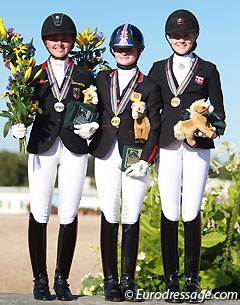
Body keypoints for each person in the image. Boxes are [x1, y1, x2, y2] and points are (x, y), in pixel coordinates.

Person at [11, 13, 98, 301]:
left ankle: (62, 280)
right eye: (53, 38)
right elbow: (22, 105)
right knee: (39, 211)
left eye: (64, 38)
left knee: (70, 212)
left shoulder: (85, 75)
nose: (59, 43)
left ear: (72, 41)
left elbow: (93, 108)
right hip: (42, 146)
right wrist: (17, 124)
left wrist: (92, 125)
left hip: (74, 146)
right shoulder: (32, 73)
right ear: (45, 41)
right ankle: (39, 280)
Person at [148, 9, 226, 303]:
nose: (181, 40)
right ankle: (171, 282)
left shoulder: (208, 69)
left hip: (197, 148)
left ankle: (191, 281)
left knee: (191, 209)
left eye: (186, 35)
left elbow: (220, 114)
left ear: (195, 36)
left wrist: (209, 123)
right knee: (170, 210)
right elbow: (149, 108)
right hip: (167, 145)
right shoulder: (156, 69)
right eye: (176, 35)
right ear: (168, 38)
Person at [89, 23, 162, 302]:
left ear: (139, 51)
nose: (124, 53)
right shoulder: (101, 78)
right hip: (106, 152)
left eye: (129, 48)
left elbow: (155, 125)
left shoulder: (149, 85)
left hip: (135, 155)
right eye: (119, 48)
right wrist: (85, 127)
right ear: (112, 50)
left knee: (131, 214)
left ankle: (128, 280)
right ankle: (110, 282)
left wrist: (147, 159)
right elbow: (91, 108)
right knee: (110, 213)